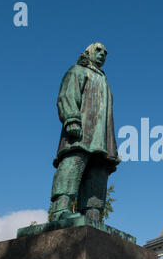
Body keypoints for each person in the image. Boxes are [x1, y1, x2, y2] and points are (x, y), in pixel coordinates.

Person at [49, 42, 120, 222]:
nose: (102, 54)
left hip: (101, 138)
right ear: (88, 52)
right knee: (73, 164)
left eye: (105, 52)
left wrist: (111, 143)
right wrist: (71, 118)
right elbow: (67, 95)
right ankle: (60, 209)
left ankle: (92, 213)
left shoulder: (104, 80)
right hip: (81, 132)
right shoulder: (77, 71)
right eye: (98, 50)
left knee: (98, 172)